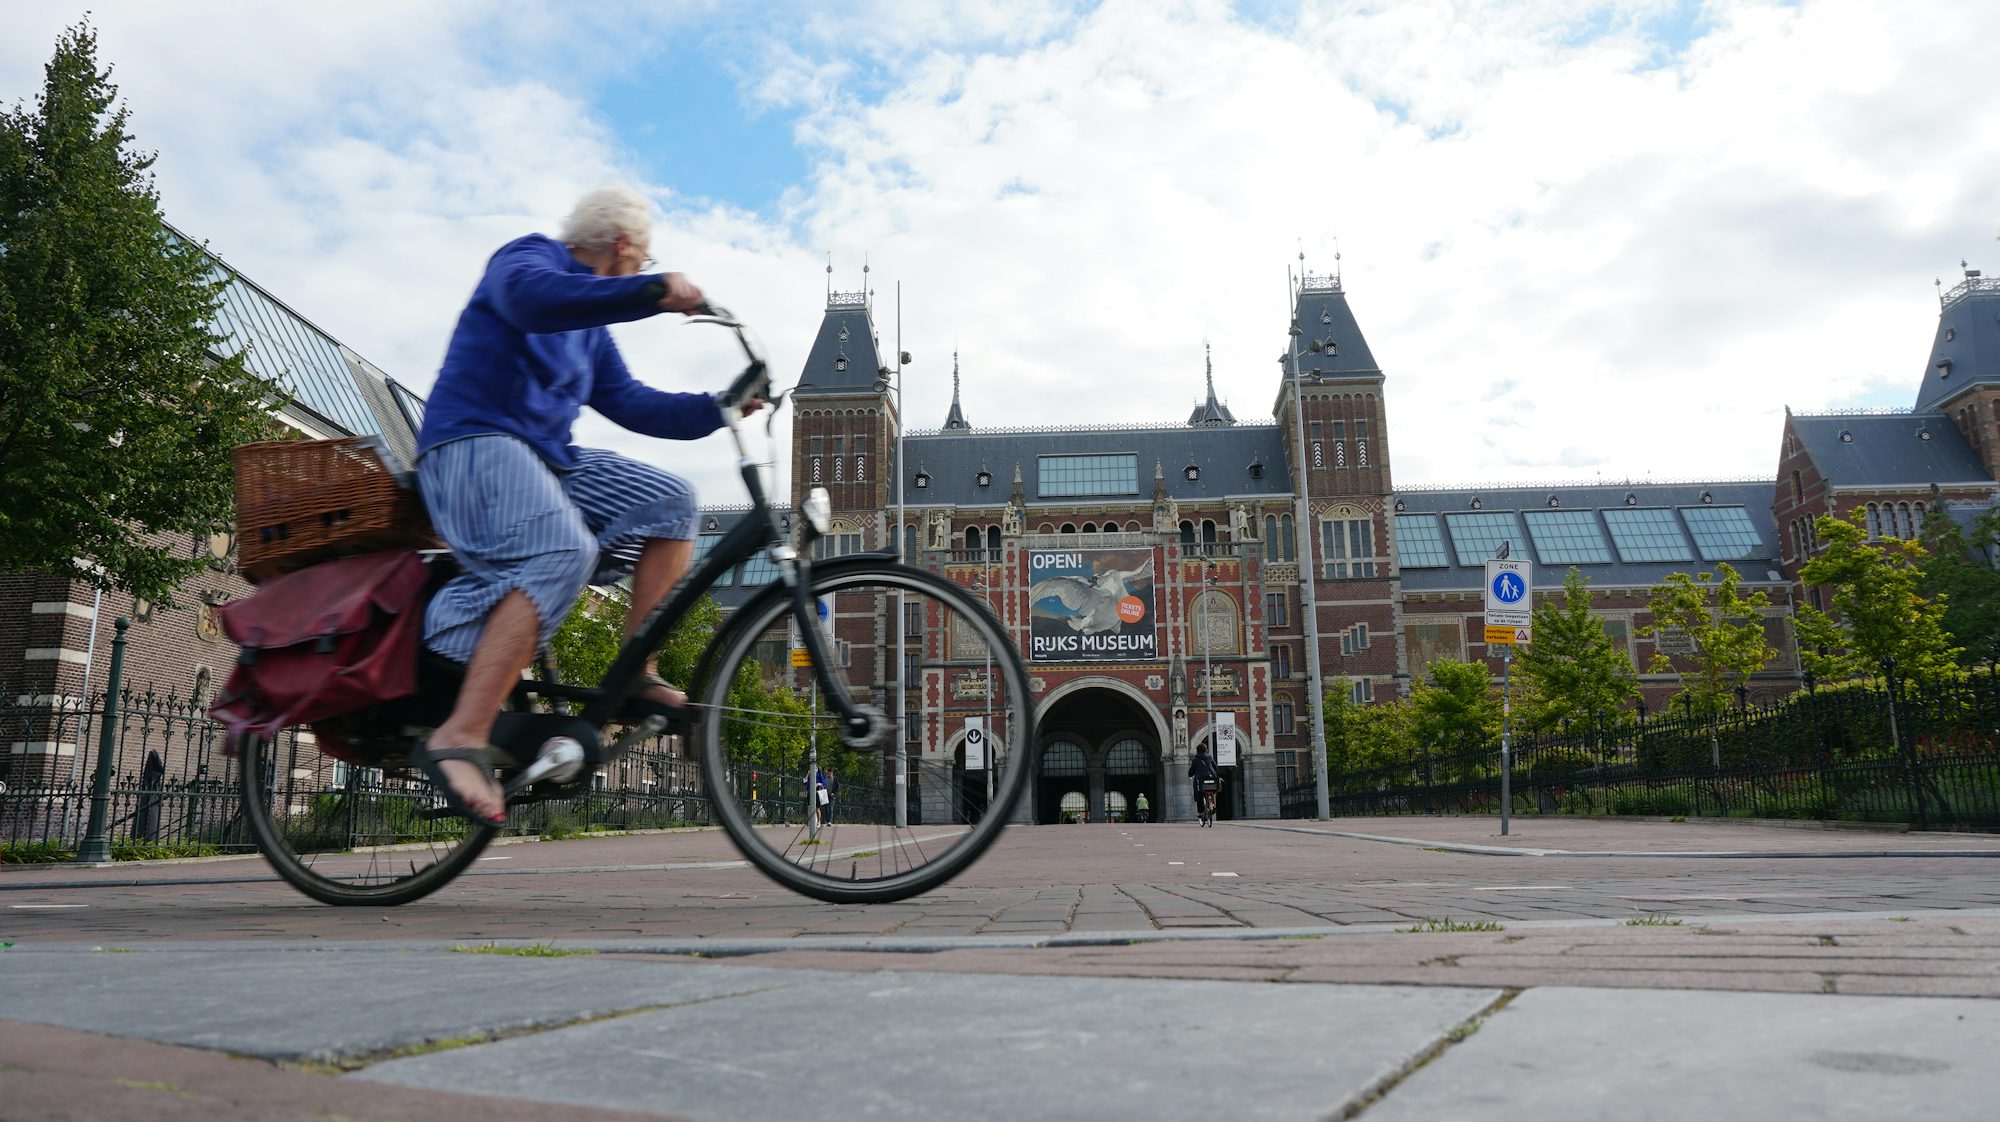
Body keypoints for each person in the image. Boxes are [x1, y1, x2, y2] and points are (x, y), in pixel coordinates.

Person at [409, 185, 760, 826]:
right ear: (624, 245)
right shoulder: (528, 260)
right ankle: (460, 733)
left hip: (546, 463)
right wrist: (653, 291)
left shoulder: (591, 331)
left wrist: (719, 407)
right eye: (643, 258)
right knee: (565, 547)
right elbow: (534, 301)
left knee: (674, 501)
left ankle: (635, 671)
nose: (643, 267)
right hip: (470, 445)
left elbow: (632, 402)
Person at [1188, 744, 1219, 825]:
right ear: (1206, 750)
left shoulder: (1195, 760)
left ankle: (1201, 812)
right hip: (1211, 777)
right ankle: (1212, 805)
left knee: (1199, 794)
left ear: (1197, 750)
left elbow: (1191, 771)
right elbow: (1215, 767)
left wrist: (1190, 774)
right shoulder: (1209, 757)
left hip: (1200, 779)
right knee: (1211, 790)